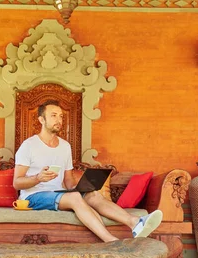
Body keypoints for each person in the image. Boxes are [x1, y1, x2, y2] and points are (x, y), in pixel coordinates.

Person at [13, 99, 163, 243]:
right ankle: (111, 241)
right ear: (41, 120)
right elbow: (17, 183)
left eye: (60, 116)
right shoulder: (29, 146)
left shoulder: (65, 146)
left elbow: (68, 180)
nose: (58, 120)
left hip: (58, 194)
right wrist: (38, 178)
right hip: (32, 197)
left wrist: (82, 188)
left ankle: (135, 223)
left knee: (92, 195)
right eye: (53, 115)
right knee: (75, 198)